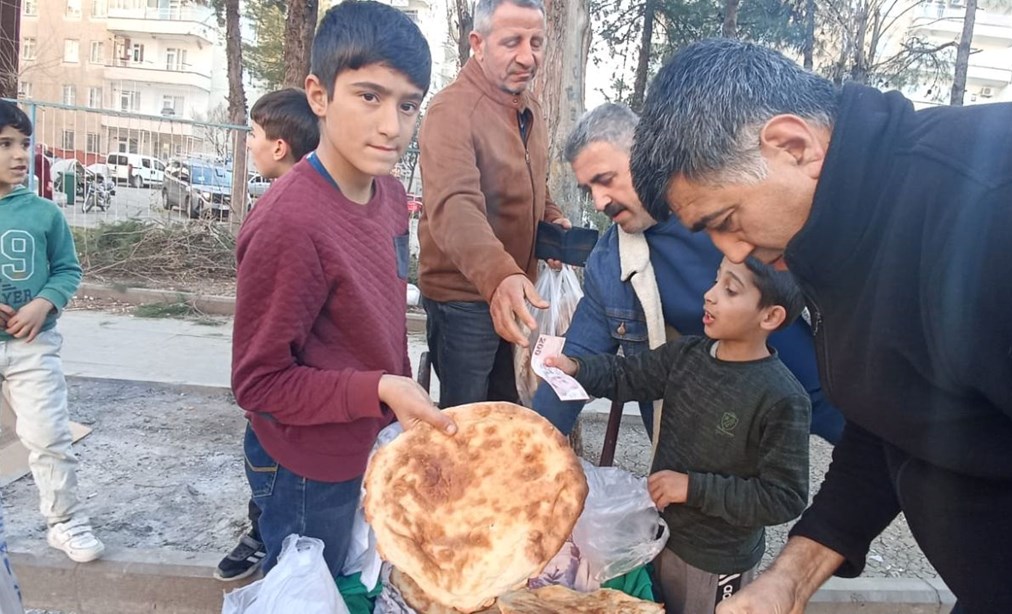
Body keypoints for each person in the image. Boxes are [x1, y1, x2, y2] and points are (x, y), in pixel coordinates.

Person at [629, 38, 1012, 614]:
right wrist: (793, 576)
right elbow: (892, 416)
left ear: (794, 146)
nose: (733, 251)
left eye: (726, 221)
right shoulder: (832, 234)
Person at [230, 1, 457, 578]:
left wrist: (388, 391)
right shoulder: (291, 222)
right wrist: (378, 388)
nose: (392, 125)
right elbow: (259, 383)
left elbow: (373, 317)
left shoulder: (386, 197)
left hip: (368, 444)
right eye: (370, 96)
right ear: (319, 95)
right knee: (316, 588)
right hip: (308, 468)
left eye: (408, 105)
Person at [533, 103, 844, 444]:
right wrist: (530, 444)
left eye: (605, 180)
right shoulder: (609, 263)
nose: (598, 201)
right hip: (707, 437)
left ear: (646, 155)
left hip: (816, 389)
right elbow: (576, 359)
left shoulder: (733, 202)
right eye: (588, 189)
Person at [546, 257, 811, 614]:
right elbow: (627, 375)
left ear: (770, 317)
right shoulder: (687, 354)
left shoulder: (782, 398)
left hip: (716, 560)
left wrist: (692, 487)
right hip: (659, 536)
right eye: (715, 280)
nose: (709, 295)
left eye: (730, 290)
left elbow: (784, 497)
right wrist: (577, 367)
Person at [417, 0, 569, 408]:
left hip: (516, 289)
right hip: (464, 300)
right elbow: (455, 206)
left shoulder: (529, 107)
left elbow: (536, 182)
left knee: (509, 409)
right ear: (478, 44)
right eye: (512, 42)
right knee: (467, 420)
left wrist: (553, 220)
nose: (528, 56)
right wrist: (500, 275)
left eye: (536, 42)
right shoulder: (452, 110)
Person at [215, 87, 319, 582]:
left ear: (279, 146)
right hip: (278, 390)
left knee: (272, 474)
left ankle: (268, 534)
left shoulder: (286, 212)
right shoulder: (290, 201)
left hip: (285, 401)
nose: (249, 144)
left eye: (253, 134)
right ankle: (262, 527)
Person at [0, 101, 102, 563]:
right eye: (5, 145)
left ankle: (64, 521)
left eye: (23, 143)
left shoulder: (44, 214)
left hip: (32, 349)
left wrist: (44, 303)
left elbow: (67, 270)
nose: (19, 154)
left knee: (48, 436)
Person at [246, 88, 320, 182]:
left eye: (253, 135)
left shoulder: (282, 196)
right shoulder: (318, 189)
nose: (248, 144)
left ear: (279, 149)